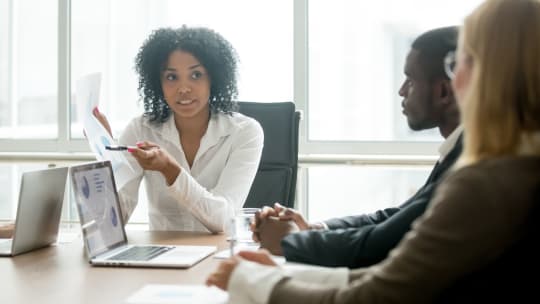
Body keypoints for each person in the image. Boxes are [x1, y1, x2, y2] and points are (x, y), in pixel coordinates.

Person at [207, 0, 540, 302]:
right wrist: (284, 271)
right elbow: (404, 268)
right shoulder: (514, 166)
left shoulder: (489, 180)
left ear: (492, 73)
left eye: (460, 60)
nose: (455, 77)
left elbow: (376, 294)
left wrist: (257, 282)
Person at [253, 26, 462, 268]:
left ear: (443, 91)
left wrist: (292, 241)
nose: (402, 90)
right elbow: (395, 218)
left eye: (411, 80)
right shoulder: (457, 150)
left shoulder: (468, 161)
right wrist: (315, 229)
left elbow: (381, 244)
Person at [94, 26, 264, 233]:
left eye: (196, 75)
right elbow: (111, 222)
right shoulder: (141, 129)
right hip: (161, 256)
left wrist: (171, 170)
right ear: (158, 83)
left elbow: (223, 219)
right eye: (172, 77)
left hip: (219, 255)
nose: (184, 88)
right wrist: (108, 155)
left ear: (213, 77)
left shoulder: (244, 132)